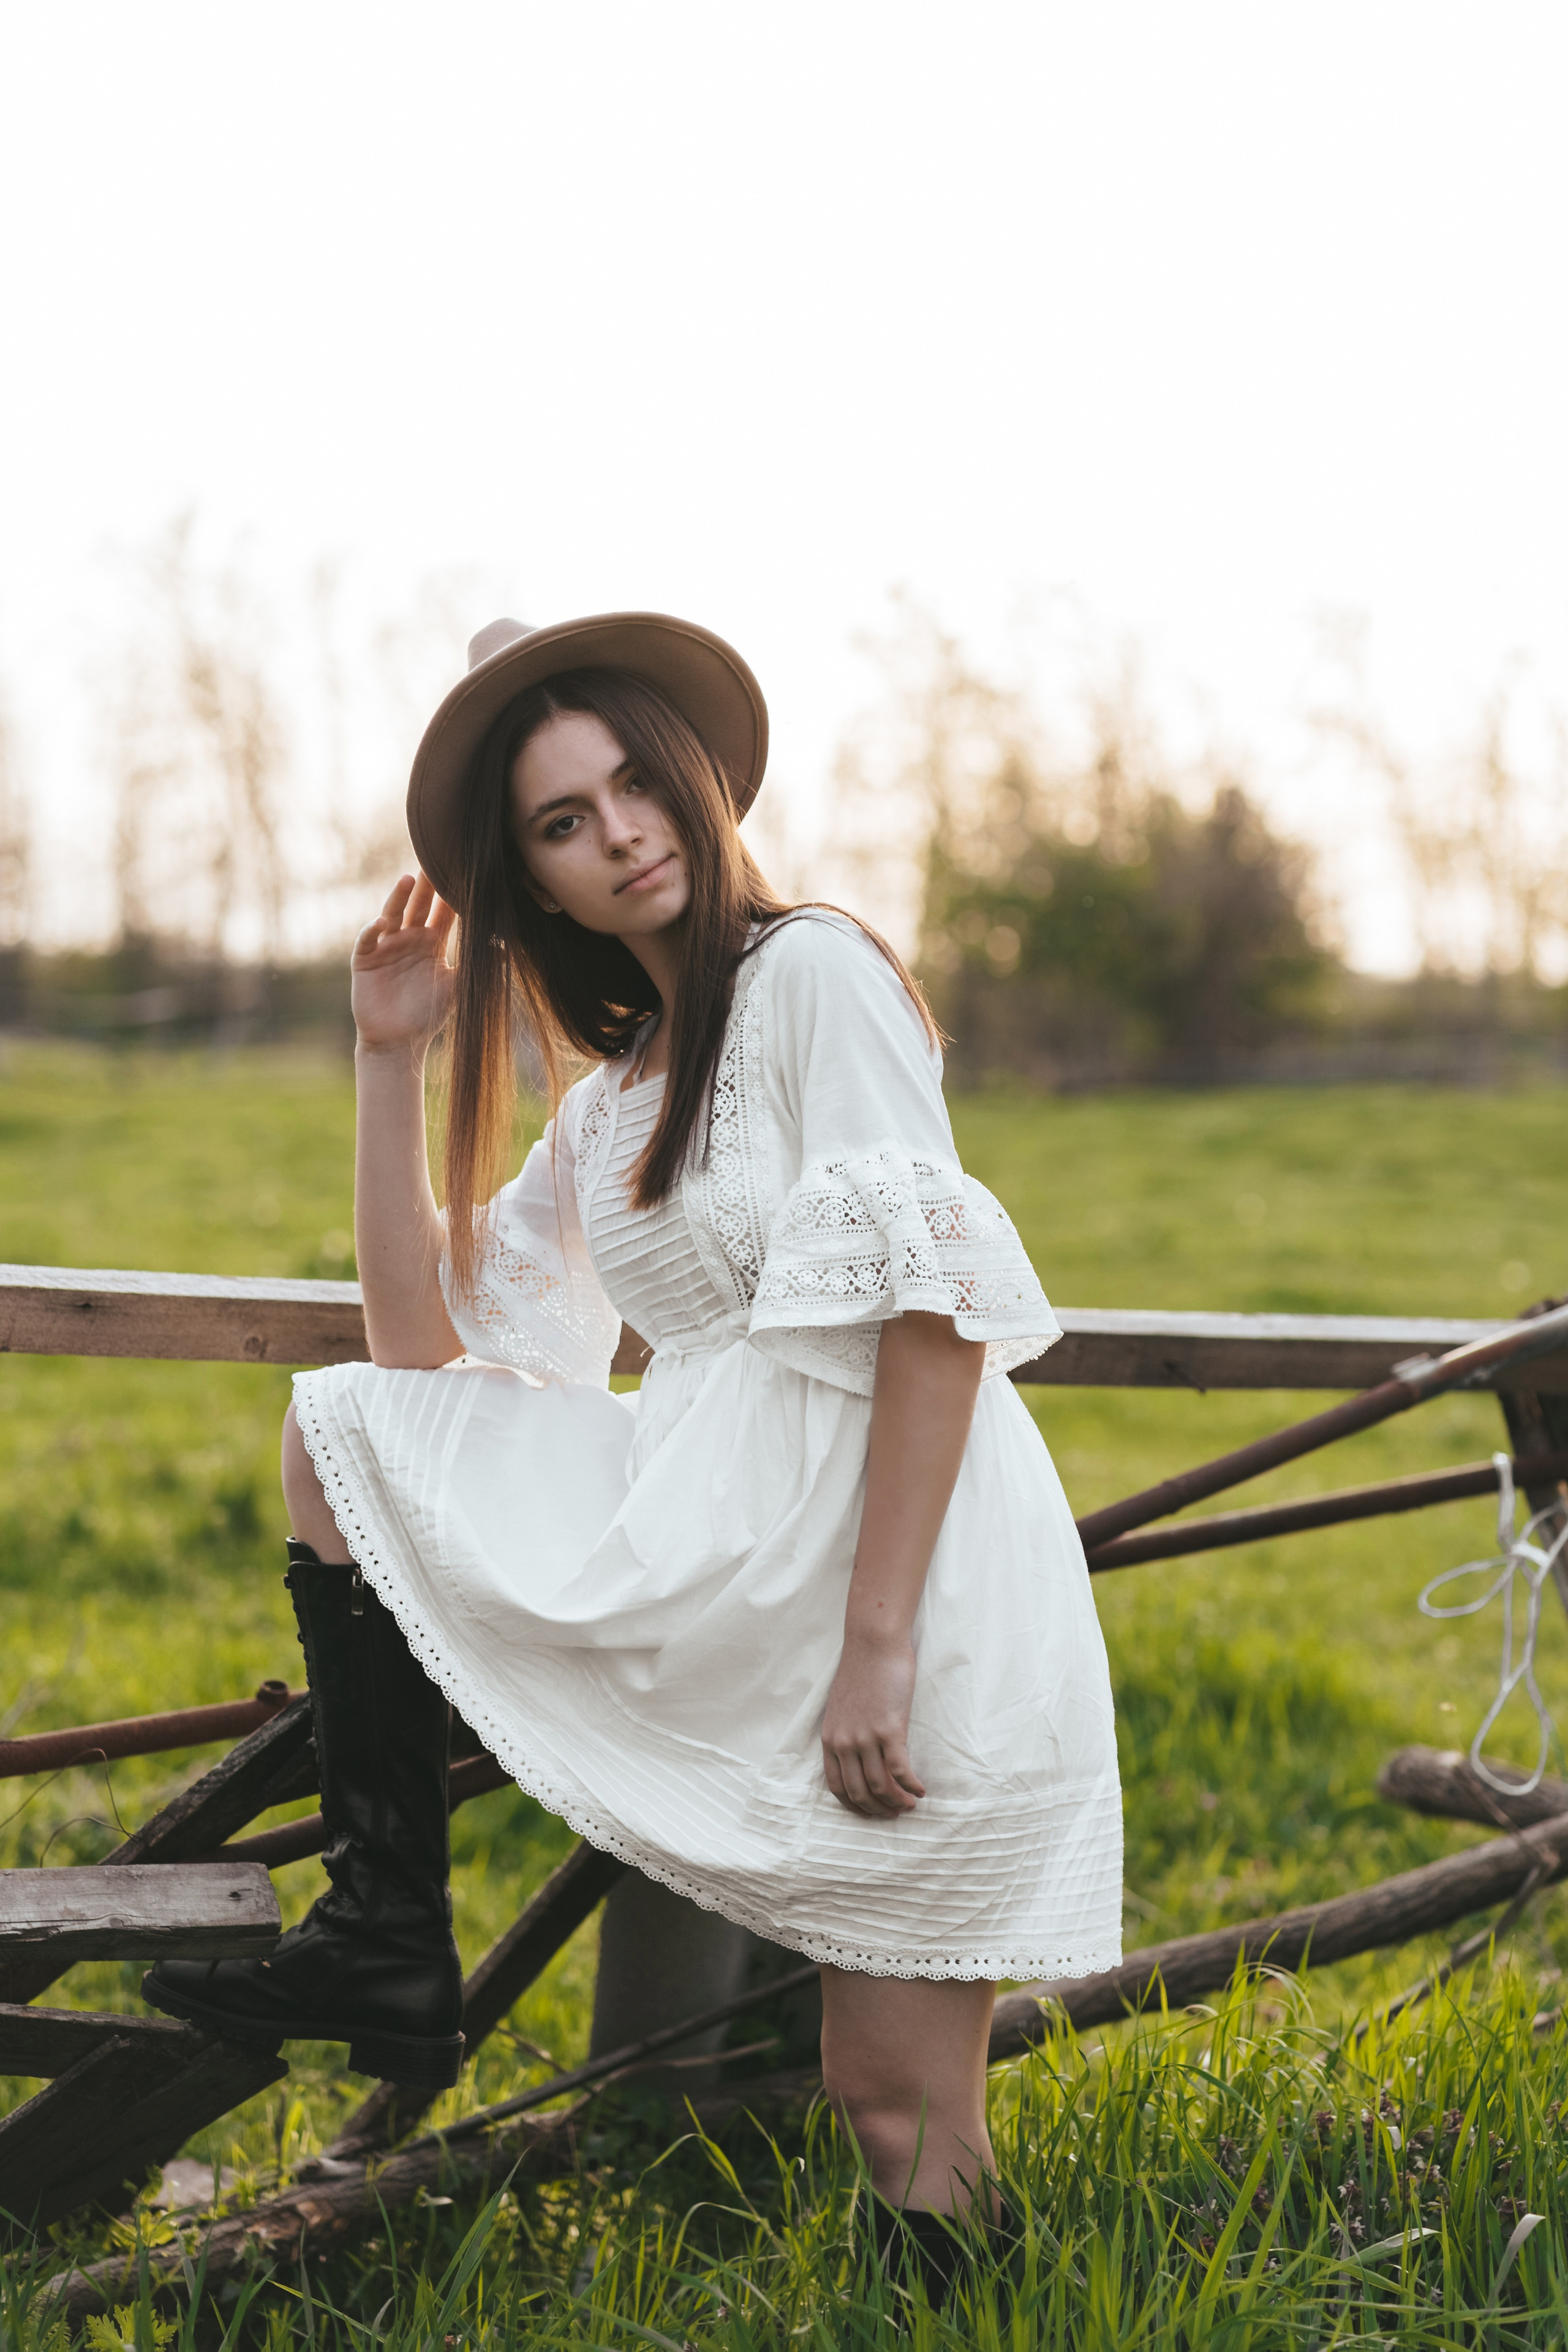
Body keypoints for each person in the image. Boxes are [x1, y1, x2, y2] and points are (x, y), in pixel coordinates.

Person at [146, 612, 1121, 2280]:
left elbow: (934, 1308)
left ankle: (976, 2307)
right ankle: (387, 1926)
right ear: (531, 881)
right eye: (562, 822)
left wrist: (878, 1644)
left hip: (898, 1571)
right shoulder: (611, 1102)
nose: (619, 835)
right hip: (727, 1564)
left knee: (895, 2101)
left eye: (634, 786)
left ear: (694, 780)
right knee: (345, 1425)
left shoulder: (814, 973)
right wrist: (391, 1060)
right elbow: (421, 1361)